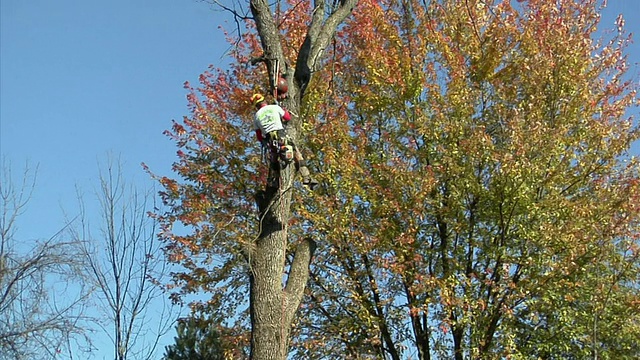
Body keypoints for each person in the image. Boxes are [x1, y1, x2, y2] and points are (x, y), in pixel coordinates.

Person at [251, 93, 318, 190]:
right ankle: (307, 178)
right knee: (297, 155)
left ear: (256, 106)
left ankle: (274, 182)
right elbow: (287, 117)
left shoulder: (256, 116)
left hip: (270, 140)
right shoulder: (275, 107)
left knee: (274, 160)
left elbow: (259, 137)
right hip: (282, 136)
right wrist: (283, 111)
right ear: (264, 100)